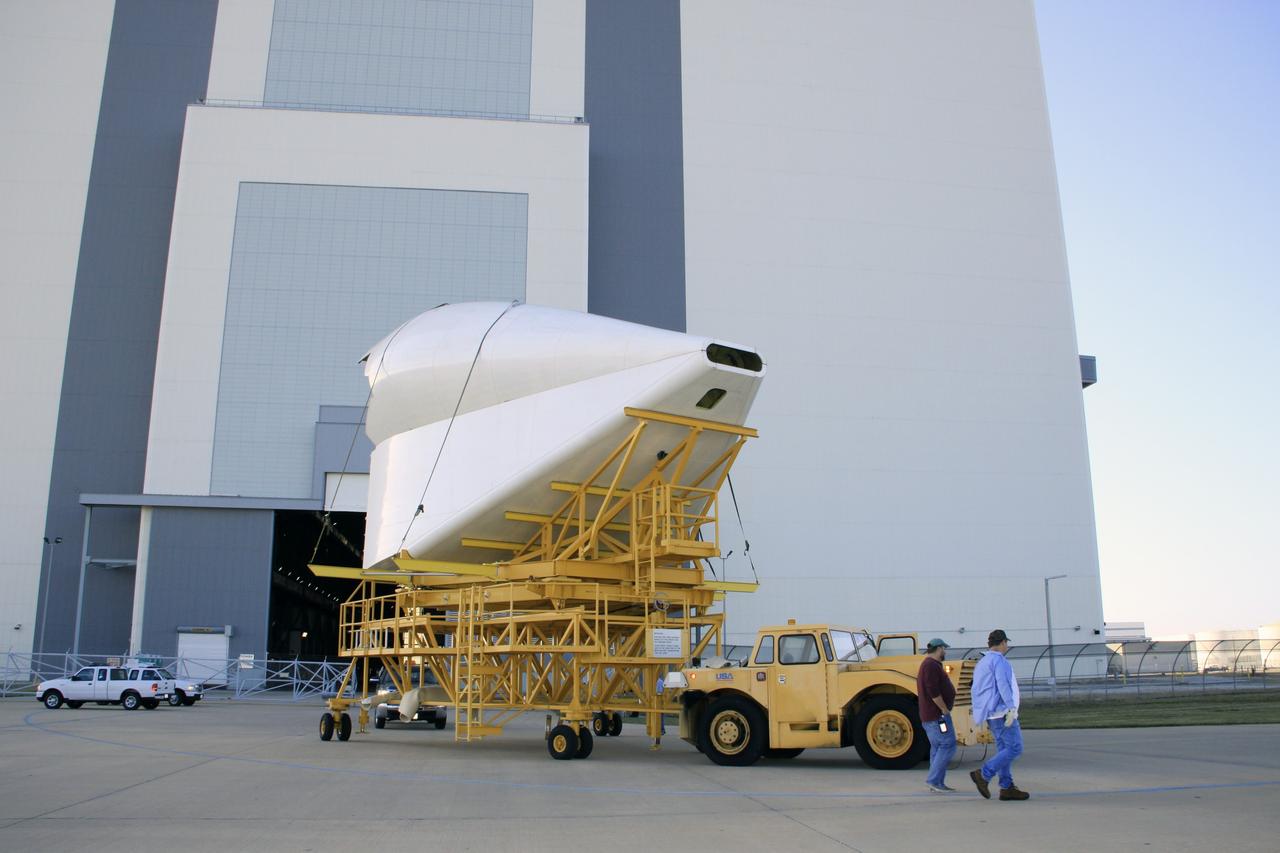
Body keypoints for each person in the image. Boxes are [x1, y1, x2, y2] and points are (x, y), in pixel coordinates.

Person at [969, 629, 1030, 801]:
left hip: (991, 713)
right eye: (1006, 643)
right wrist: (1011, 708)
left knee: (1004, 750)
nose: (1007, 646)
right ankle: (984, 774)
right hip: (1002, 712)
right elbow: (1003, 684)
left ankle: (1006, 787)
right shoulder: (999, 661)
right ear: (1002, 642)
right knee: (1015, 747)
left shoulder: (983, 662)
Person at [916, 638, 957, 792]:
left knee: (937, 747)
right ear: (939, 648)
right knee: (948, 744)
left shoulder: (930, 665)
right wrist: (944, 710)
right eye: (944, 649)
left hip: (933, 716)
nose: (945, 652)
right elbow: (933, 691)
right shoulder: (931, 665)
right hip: (938, 717)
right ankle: (933, 780)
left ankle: (937, 782)